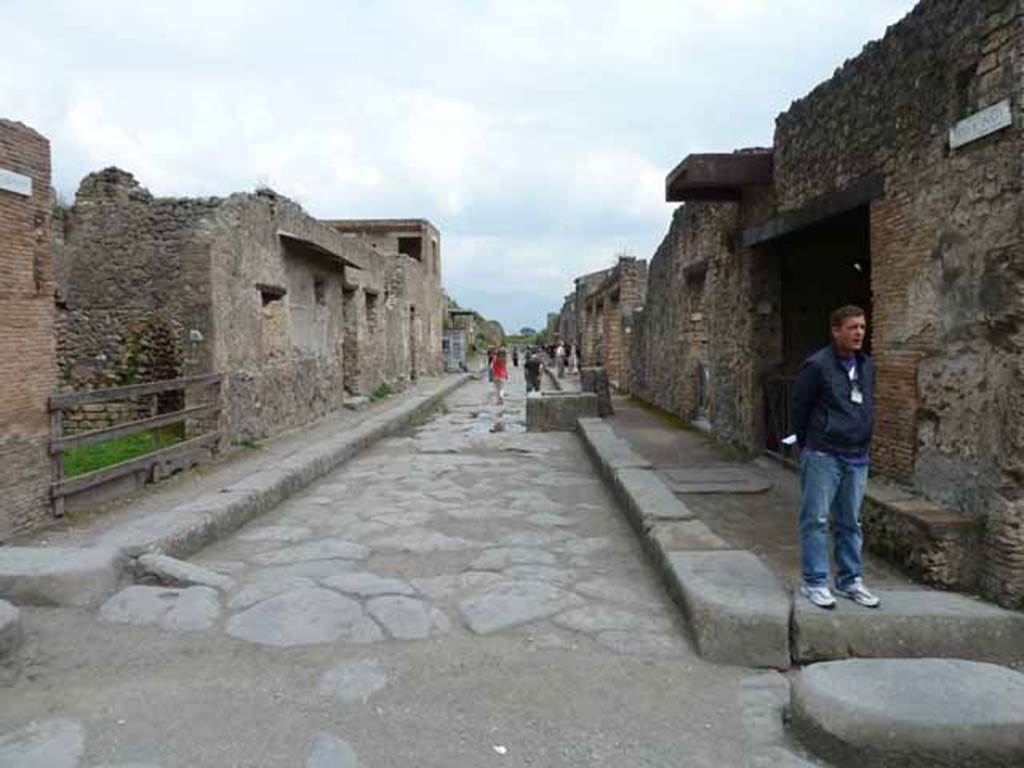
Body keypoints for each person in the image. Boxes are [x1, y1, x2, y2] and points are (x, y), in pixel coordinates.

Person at [791, 305, 880, 610]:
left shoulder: (867, 366)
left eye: (863, 328)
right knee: (815, 519)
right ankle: (815, 582)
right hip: (823, 453)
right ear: (836, 330)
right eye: (853, 327)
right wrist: (807, 444)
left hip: (857, 455)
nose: (859, 333)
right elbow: (799, 408)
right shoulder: (816, 366)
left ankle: (850, 580)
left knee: (850, 521)